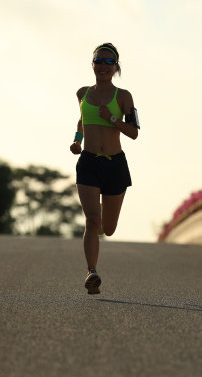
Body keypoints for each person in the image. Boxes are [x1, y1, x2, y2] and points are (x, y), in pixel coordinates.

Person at [70, 43, 140, 295]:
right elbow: (81, 119)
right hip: (88, 162)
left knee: (108, 229)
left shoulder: (123, 97)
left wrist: (112, 119)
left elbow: (133, 133)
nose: (103, 66)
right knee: (91, 220)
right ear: (92, 65)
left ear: (116, 67)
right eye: (99, 61)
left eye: (109, 62)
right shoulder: (82, 93)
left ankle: (99, 218)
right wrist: (77, 140)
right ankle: (92, 272)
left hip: (115, 165)